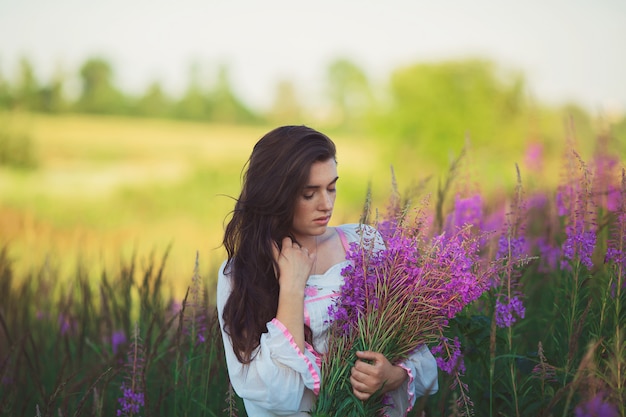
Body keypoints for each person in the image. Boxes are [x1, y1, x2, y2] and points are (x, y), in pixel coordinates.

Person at [217, 125, 438, 416]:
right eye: (310, 193)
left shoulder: (364, 244)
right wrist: (292, 288)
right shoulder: (240, 274)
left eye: (331, 187)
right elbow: (276, 395)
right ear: (275, 195)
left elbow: (423, 362)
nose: (327, 204)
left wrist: (392, 377)